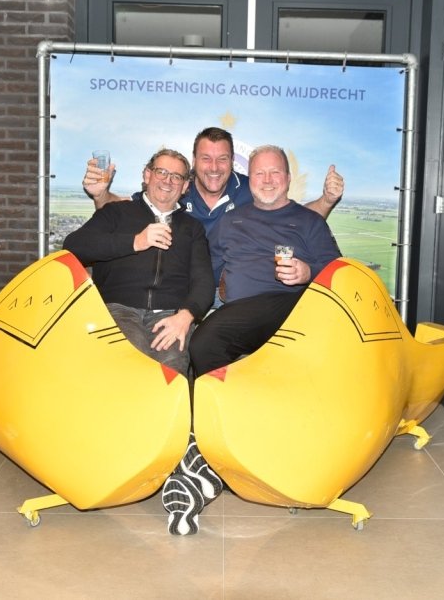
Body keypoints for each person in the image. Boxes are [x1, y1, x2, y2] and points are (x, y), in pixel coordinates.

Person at [160, 144, 342, 536]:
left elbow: (338, 270)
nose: (268, 180)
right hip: (242, 313)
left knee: (217, 337)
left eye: (275, 172)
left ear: (288, 179)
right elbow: (206, 272)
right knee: (204, 343)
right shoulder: (231, 222)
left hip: (295, 308)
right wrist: (184, 309)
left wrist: (308, 271)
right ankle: (219, 439)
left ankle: (226, 445)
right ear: (249, 179)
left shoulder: (308, 222)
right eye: (259, 173)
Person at [61, 148, 213, 375]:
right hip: (119, 309)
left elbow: (204, 281)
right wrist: (135, 242)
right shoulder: (116, 213)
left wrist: (186, 316)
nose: (168, 181)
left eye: (176, 176)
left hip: (170, 315)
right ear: (147, 175)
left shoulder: (192, 228)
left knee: (171, 369)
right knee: (133, 366)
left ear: (185, 187)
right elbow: (74, 246)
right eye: (161, 172)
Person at [83, 127, 344, 233]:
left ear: (233, 161)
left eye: (223, 159)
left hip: (232, 293)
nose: (215, 168)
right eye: (206, 158)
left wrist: (327, 200)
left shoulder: (251, 188)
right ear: (194, 160)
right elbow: (121, 211)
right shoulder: (176, 187)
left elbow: (297, 218)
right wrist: (100, 194)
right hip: (182, 290)